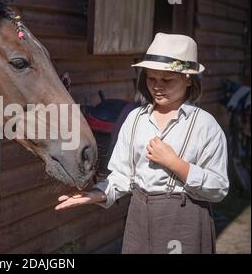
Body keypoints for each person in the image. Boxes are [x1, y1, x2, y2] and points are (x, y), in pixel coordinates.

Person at [55, 33, 229, 254]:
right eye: (151, 78)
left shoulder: (204, 125)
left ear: (188, 78)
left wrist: (176, 164)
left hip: (184, 218)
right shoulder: (136, 119)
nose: (157, 86)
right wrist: (96, 194)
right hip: (139, 216)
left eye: (167, 80)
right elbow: (122, 175)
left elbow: (219, 188)